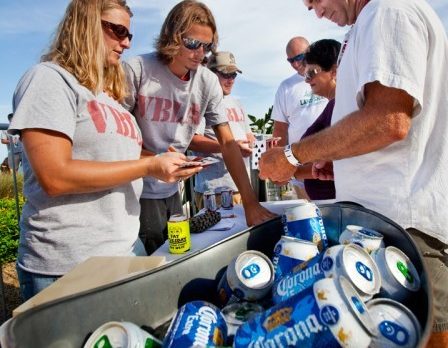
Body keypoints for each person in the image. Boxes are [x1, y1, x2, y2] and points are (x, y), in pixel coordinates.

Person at [260, 0, 448, 345]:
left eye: (315, 0)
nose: (315, 11)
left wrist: (290, 154)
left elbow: (388, 120)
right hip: (388, 225)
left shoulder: (389, 10)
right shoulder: (372, 19)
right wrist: (343, 158)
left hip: (406, 228)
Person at [8, 0, 201, 301]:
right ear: (84, 25)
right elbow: (54, 175)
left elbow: (118, 158)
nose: (125, 42)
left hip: (124, 248)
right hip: (68, 264)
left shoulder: (108, 97)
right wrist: (149, 167)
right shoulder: (49, 78)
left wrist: (166, 163)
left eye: (130, 35)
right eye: (118, 30)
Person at [123, 0, 275, 254]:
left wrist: (250, 203)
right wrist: (154, 160)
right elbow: (116, 139)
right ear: (172, 36)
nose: (200, 53)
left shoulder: (207, 81)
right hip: (137, 190)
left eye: (207, 46)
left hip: (172, 189)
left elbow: (227, 143)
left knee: (174, 253)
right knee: (149, 259)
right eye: (192, 44)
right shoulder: (137, 69)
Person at [188, 51, 255, 209]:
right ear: (210, 73)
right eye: (226, 74)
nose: (231, 79)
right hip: (214, 191)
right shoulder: (199, 101)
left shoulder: (237, 103)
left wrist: (259, 146)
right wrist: (231, 147)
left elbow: (249, 137)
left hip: (242, 189)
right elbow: (192, 141)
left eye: (234, 74)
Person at [271, 36, 328, 199]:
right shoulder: (286, 87)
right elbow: (280, 130)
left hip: (332, 162)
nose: (296, 64)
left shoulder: (327, 76)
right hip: (301, 171)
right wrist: (280, 165)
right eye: (291, 61)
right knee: (308, 218)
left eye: (299, 58)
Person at [293, 39, 340, 200]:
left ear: (334, 71)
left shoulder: (338, 107)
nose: (306, 80)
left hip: (336, 204)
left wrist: (289, 169)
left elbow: (337, 161)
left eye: (311, 73)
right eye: (305, 74)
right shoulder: (333, 106)